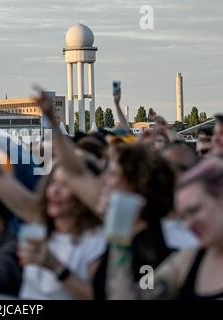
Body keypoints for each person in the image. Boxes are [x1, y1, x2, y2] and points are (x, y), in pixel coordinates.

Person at [0, 86, 106, 300]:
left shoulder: (99, 239)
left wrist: (55, 266)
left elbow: (100, 296)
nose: (55, 191)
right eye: (53, 183)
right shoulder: (38, 218)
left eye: (65, 185)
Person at [37, 88, 177, 299]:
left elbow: (146, 295)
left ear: (136, 185)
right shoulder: (116, 227)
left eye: (112, 175)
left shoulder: (151, 252)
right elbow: (76, 174)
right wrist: (53, 124)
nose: (102, 180)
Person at [106, 158, 223, 300]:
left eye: (194, 211)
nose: (189, 224)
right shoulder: (187, 261)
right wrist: (119, 240)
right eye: (184, 216)